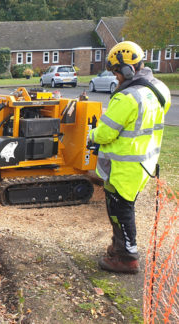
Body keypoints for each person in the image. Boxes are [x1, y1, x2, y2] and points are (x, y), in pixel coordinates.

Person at [89, 41, 171, 274]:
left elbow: (104, 133)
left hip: (124, 166)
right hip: (145, 163)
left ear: (127, 70)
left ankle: (127, 258)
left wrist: (91, 135)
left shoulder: (127, 97)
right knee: (124, 207)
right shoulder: (161, 89)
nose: (116, 78)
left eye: (117, 73)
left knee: (120, 211)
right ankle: (119, 247)